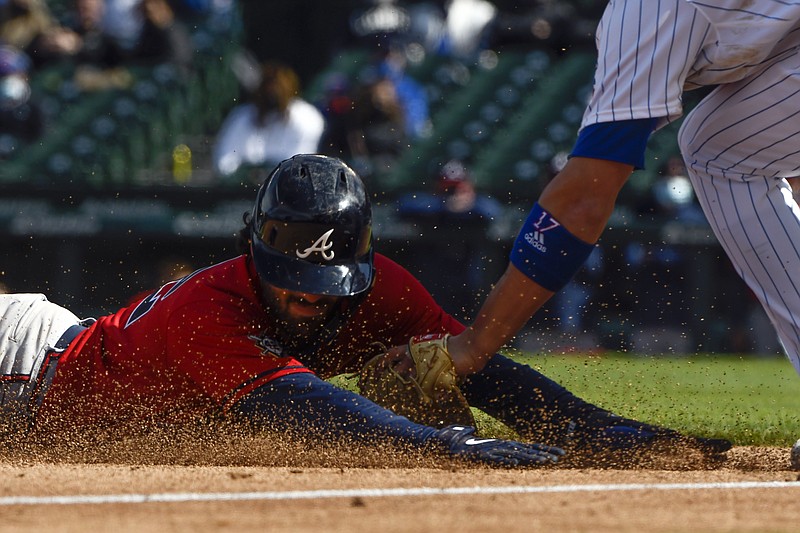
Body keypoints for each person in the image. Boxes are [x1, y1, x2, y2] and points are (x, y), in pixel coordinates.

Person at [0, 155, 726, 468]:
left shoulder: (385, 293)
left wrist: (599, 430)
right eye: (293, 280)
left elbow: (478, 370)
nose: (310, 296)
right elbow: (305, 406)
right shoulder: (211, 309)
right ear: (256, 257)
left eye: (327, 280)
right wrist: (444, 446)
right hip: (24, 363)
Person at [427, 1, 800, 383]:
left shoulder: (647, 11)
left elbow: (584, 199)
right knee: (720, 149)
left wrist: (474, 346)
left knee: (719, 155)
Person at [212, 62, 326, 180]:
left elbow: (301, 164)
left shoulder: (307, 117)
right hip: (242, 193)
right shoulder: (242, 116)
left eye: (278, 86)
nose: (272, 91)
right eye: (269, 84)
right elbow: (223, 162)